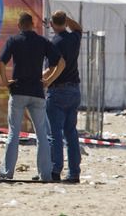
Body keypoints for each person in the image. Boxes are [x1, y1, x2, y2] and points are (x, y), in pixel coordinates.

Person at [0, 12, 65, 181]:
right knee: (42, 134)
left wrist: (6, 82)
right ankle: (45, 174)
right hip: (36, 91)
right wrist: (48, 81)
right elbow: (61, 63)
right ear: (33, 24)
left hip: (19, 89)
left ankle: (7, 172)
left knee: (14, 132)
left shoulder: (14, 40)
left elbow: (0, 61)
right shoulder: (42, 41)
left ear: (19, 25)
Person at [47, 11, 83, 184]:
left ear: (52, 24)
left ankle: (55, 170)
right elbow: (78, 28)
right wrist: (66, 18)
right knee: (71, 133)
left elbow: (53, 68)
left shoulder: (55, 42)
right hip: (74, 90)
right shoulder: (74, 38)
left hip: (58, 90)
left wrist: (44, 81)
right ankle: (74, 172)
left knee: (55, 133)